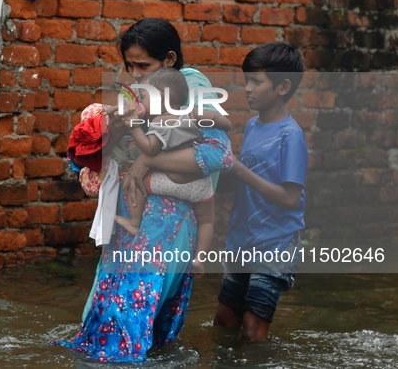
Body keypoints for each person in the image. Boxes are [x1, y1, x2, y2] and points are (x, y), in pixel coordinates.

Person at [54, 18, 229, 362]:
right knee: (112, 326)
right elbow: (82, 162)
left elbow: (216, 154)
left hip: (166, 225)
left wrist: (146, 166)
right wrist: (112, 132)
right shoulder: (134, 95)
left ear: (169, 59)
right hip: (130, 221)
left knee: (125, 326)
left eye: (143, 65)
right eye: (129, 65)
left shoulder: (192, 89)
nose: (135, 74)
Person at [213, 41, 307, 342]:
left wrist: (240, 169)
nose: (248, 89)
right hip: (244, 239)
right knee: (224, 320)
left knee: (253, 328)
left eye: (256, 81)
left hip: (275, 242)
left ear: (282, 87)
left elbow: (291, 198)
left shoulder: (290, 136)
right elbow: (243, 180)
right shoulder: (253, 125)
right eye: (246, 81)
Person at [115, 67, 232, 275]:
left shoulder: (160, 122)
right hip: (202, 184)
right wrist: (224, 123)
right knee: (207, 219)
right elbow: (220, 120)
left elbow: (150, 149)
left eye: (144, 97)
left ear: (160, 98)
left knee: (133, 180)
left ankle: (134, 222)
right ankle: (200, 259)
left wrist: (133, 126)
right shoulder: (192, 112)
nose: (142, 103)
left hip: (175, 182)